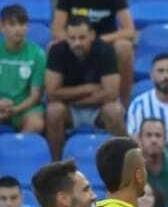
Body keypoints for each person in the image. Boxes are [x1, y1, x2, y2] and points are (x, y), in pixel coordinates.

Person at [51, 0, 138, 102]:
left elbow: (129, 30)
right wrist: (75, 42)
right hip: (76, 42)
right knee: (53, 46)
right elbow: (57, 29)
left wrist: (98, 41)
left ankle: (124, 104)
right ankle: (57, 103)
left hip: (103, 45)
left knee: (124, 47)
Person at [44, 17, 125, 160]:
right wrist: (87, 88)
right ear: (66, 37)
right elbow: (51, 93)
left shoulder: (106, 50)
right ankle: (56, 163)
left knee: (114, 111)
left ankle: (120, 162)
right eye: (72, 38)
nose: (77, 43)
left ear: (92, 35)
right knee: (53, 111)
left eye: (82, 37)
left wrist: (73, 98)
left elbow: (111, 93)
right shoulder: (57, 51)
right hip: (70, 109)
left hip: (98, 108)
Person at [0, 5, 46, 134]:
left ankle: (18, 145)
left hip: (23, 108)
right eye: (12, 24)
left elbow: (35, 95)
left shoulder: (38, 54)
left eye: (22, 24)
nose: (18, 29)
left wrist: (16, 109)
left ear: (27, 26)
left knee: (36, 123)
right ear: (2, 28)